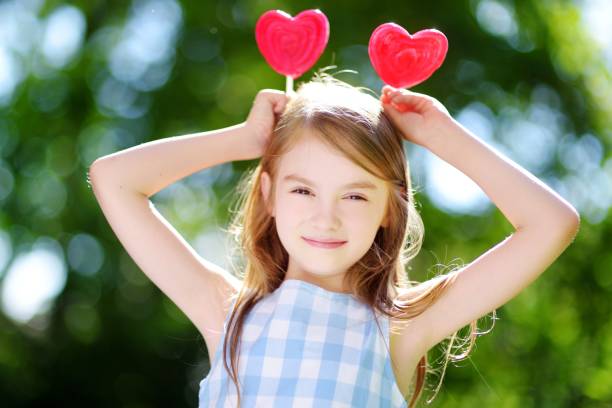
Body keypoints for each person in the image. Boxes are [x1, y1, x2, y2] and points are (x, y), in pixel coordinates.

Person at [88, 69, 580, 408]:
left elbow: (551, 224)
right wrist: (244, 139)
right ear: (269, 194)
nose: (326, 218)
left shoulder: (401, 328)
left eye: (355, 197)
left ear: (391, 209)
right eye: (302, 189)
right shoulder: (227, 313)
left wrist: (443, 136)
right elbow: (113, 178)